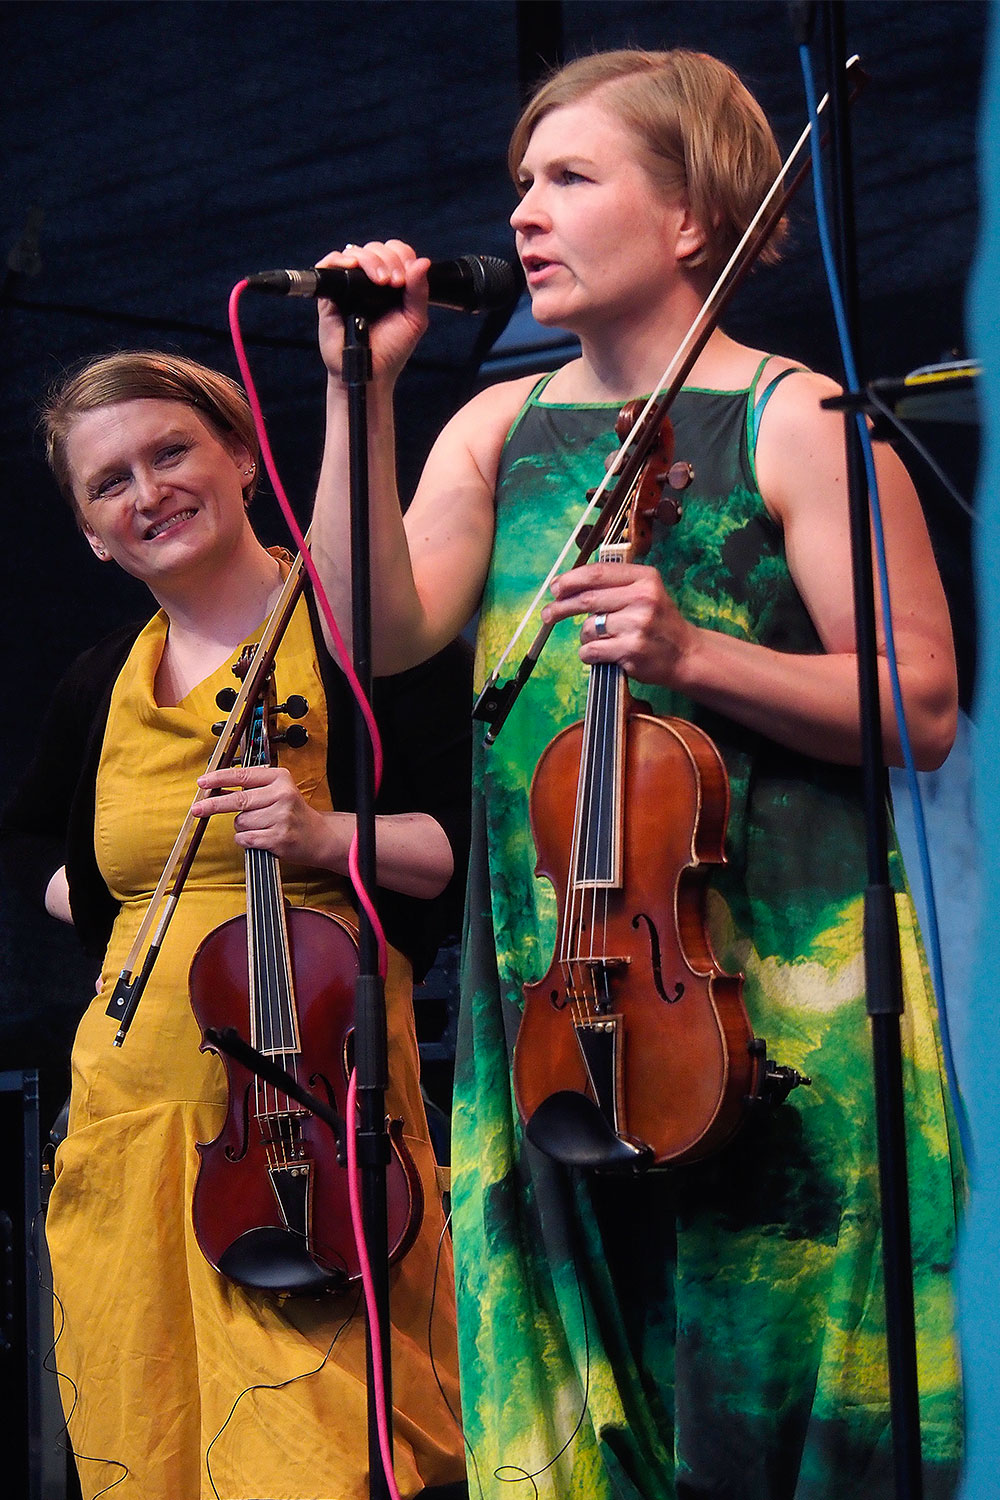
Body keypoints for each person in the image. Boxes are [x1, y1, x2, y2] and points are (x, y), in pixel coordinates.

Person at [307, 47, 964, 1500]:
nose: (523, 213)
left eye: (569, 176)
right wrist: (361, 397)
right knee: (579, 1373)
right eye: (520, 182)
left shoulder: (801, 420)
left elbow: (920, 703)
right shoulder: (497, 424)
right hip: (557, 977)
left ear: (689, 217)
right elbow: (375, 630)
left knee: (774, 1360)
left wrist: (697, 654)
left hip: (768, 972)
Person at [0, 351, 471, 1500]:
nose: (147, 492)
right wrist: (115, 908)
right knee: (148, 1445)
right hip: (136, 1121)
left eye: (171, 452)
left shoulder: (364, 640)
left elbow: (471, 844)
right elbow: (28, 847)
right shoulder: (98, 681)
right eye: (109, 483)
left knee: (319, 1451)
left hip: (311, 1126)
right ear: (91, 535)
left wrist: (325, 836)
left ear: (247, 459)